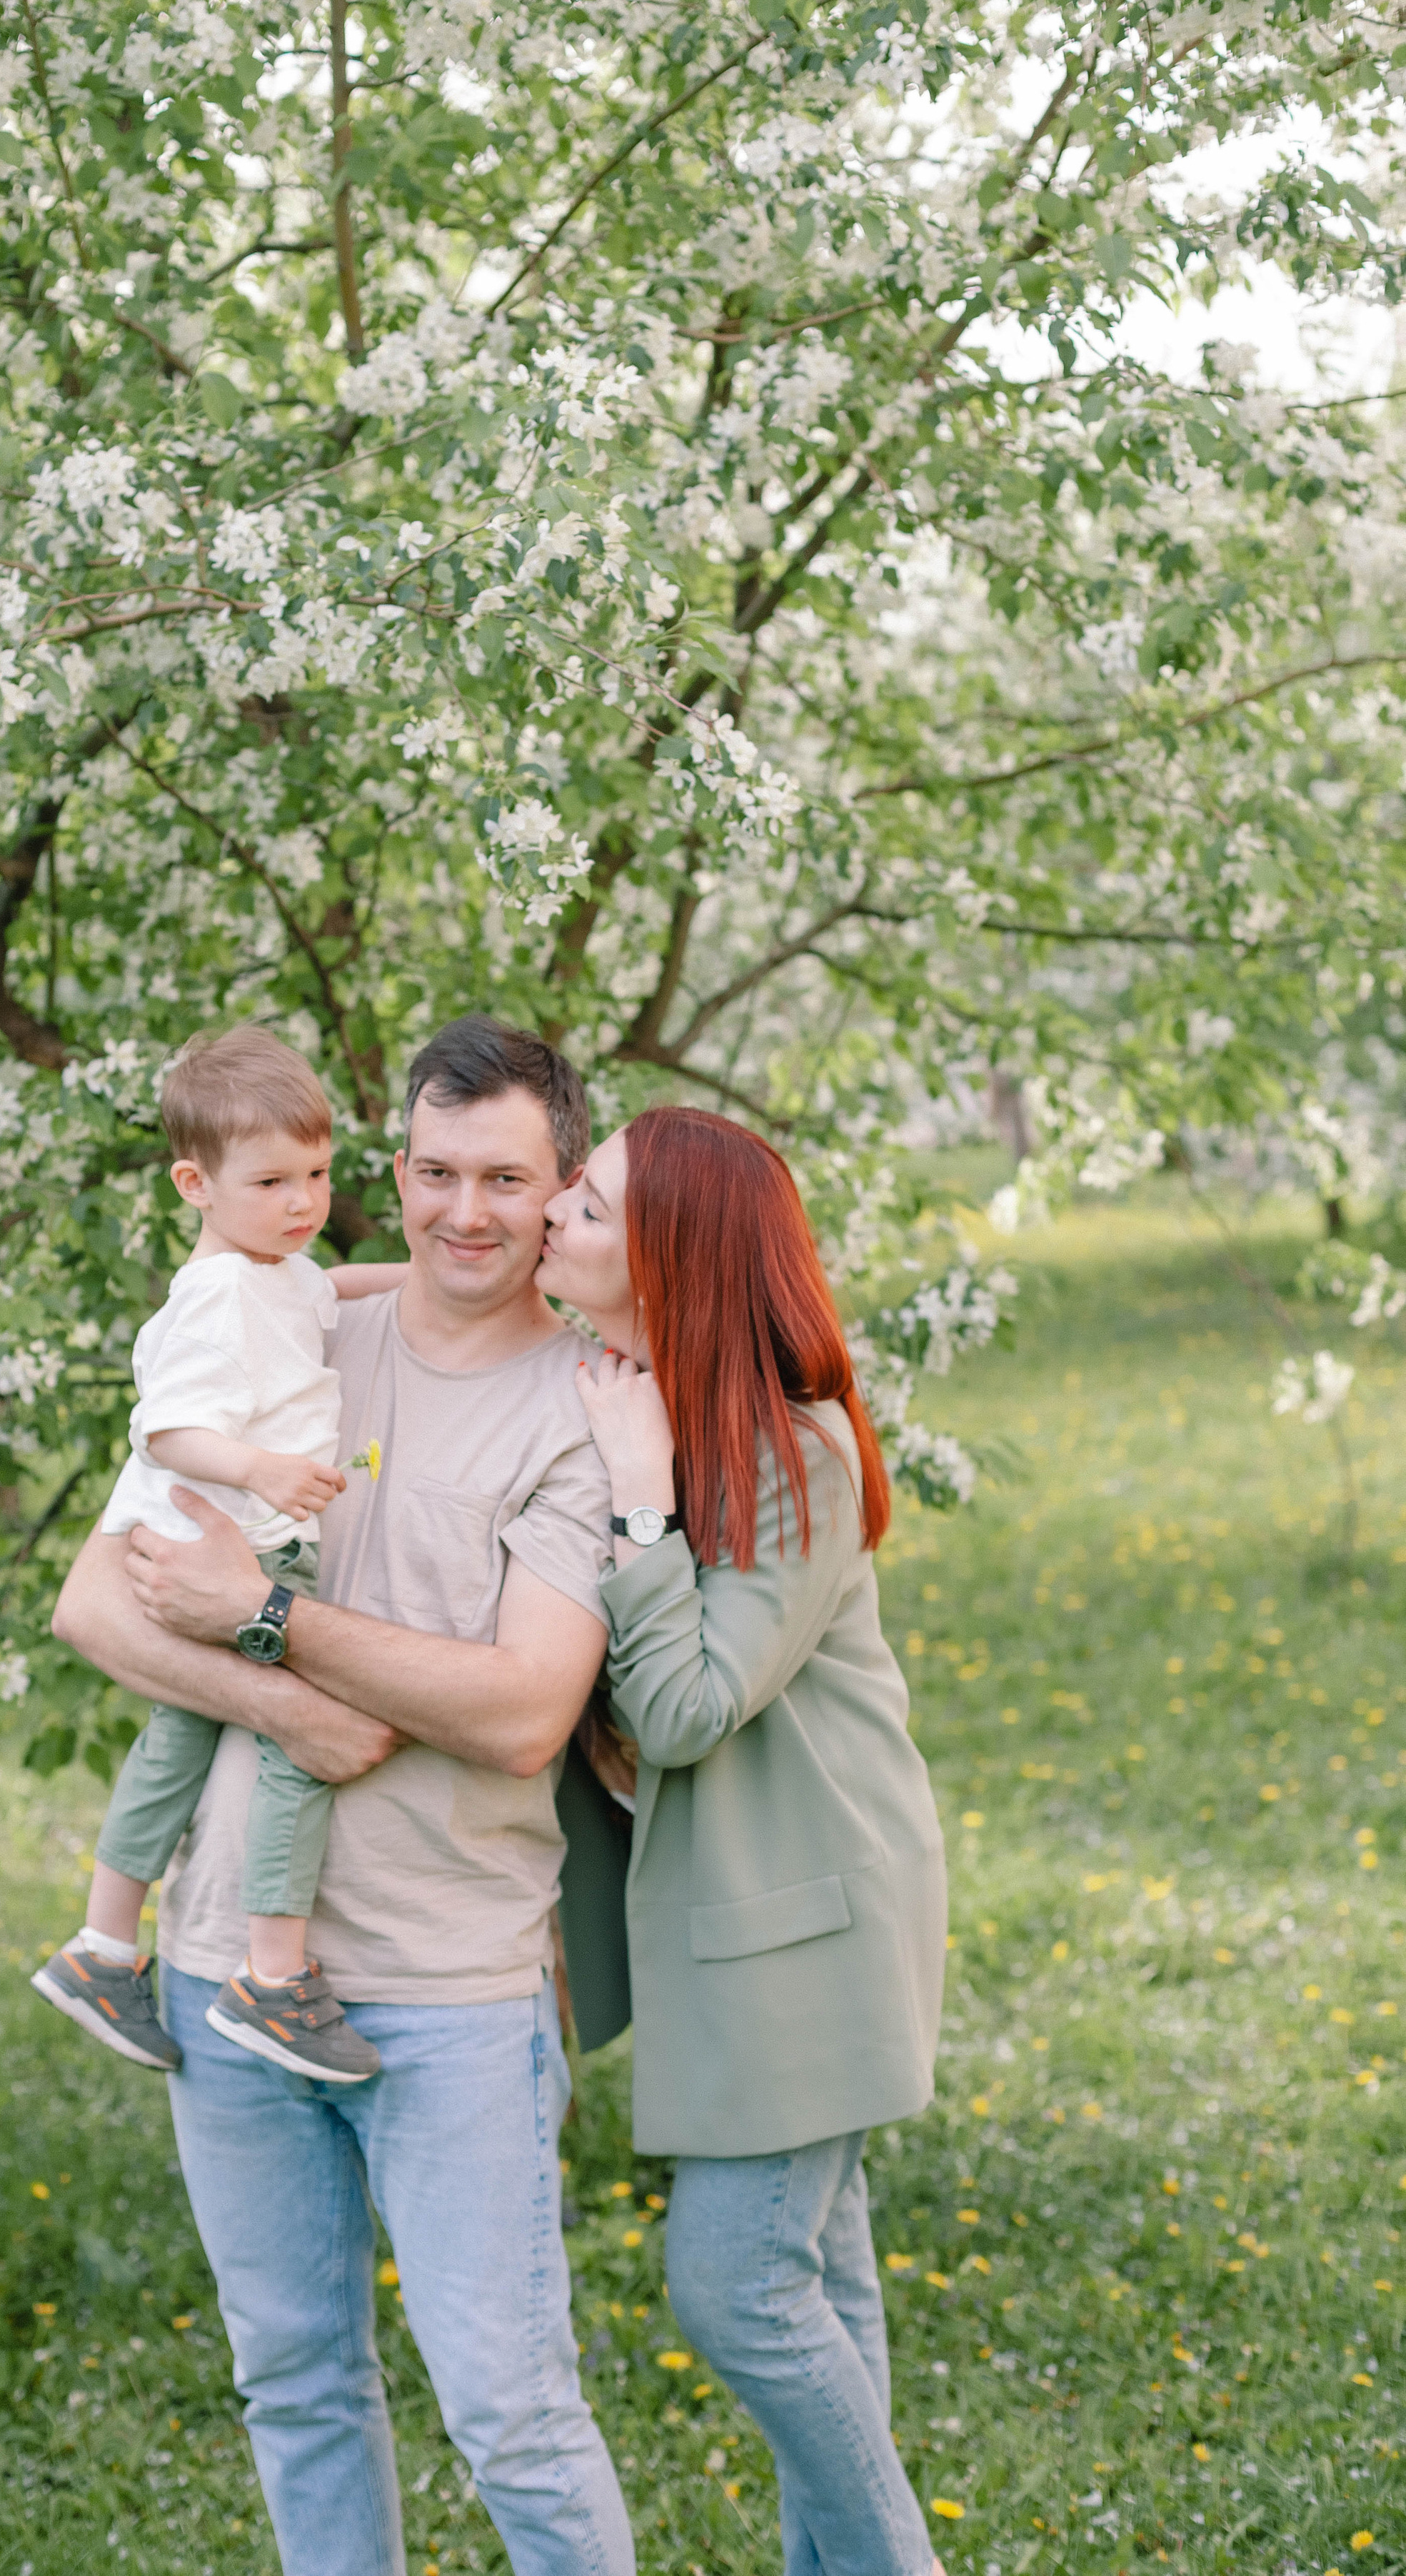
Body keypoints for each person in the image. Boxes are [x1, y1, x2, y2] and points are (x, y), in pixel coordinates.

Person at [51, 1016, 634, 2576]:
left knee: (509, 2413)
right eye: (434, 1173)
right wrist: (280, 1705)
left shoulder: (584, 1407)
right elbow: (95, 1605)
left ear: (559, 1186)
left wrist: (265, 1625)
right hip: (224, 1966)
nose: (464, 1212)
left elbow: (521, 1714)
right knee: (296, 2383)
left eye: (505, 1180)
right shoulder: (288, 1334)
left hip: (446, 1991)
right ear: (392, 1172)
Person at [541, 1102, 949, 2576]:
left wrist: (642, 1506)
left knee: (735, 2288)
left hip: (810, 1923)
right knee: (822, 2282)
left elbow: (687, 1710)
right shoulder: (629, 1378)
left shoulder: (790, 1448)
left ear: (666, 1259)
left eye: (583, 1208)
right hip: (753, 1916)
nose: (545, 1222)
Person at [31, 1026, 403, 2084]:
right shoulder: (217, 1292)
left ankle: (104, 1946)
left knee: (179, 1740)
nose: (305, 1202)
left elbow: (339, 1290)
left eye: (321, 1174)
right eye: (274, 1181)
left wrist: (430, 1277)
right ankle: (272, 1976)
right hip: (229, 1546)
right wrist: (267, 1468)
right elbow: (167, 1430)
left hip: (229, 1540)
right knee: (295, 1744)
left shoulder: (277, 1270)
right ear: (195, 1183)